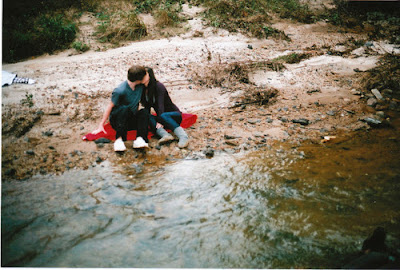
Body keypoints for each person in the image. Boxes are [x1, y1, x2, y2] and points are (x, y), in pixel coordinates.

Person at [92, 65, 150, 152]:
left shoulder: (140, 86)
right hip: (118, 121)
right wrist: (101, 124)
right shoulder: (120, 90)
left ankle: (140, 139)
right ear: (139, 80)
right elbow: (110, 106)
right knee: (124, 109)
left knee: (144, 111)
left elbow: (151, 79)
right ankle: (119, 140)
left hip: (130, 119)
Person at [141, 67, 189, 148]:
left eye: (144, 75)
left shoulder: (159, 86)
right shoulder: (143, 89)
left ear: (150, 75)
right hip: (161, 116)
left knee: (163, 116)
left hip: (173, 115)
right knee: (146, 115)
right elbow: (147, 107)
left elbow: (160, 105)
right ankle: (165, 135)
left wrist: (160, 121)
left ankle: (183, 136)